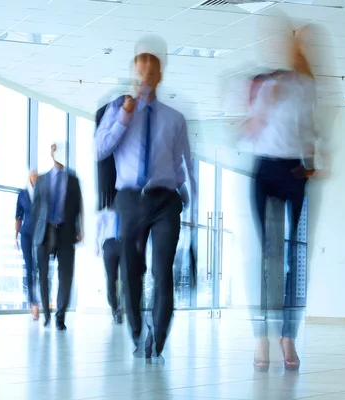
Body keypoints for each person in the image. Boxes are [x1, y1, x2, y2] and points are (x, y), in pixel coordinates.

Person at [95, 35, 195, 363]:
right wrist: (125, 116)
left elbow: (183, 164)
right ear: (133, 69)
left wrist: (190, 197)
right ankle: (137, 332)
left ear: (161, 74)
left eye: (154, 66)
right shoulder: (114, 109)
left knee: (162, 269)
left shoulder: (174, 118)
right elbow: (101, 149)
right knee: (132, 269)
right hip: (130, 199)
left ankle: (160, 337)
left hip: (167, 200)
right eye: (142, 64)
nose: (147, 71)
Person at [242, 27, 319, 372]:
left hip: (293, 173)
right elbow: (250, 130)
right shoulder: (262, 82)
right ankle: (261, 337)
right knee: (267, 256)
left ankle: (288, 336)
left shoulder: (306, 86)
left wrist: (312, 163)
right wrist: (262, 103)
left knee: (295, 256)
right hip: (264, 171)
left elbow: (307, 128)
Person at [32, 142, 83, 330]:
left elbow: (78, 208)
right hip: (45, 231)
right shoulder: (42, 180)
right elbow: (35, 208)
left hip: (65, 231)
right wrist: (34, 233)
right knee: (44, 275)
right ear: (51, 153)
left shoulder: (73, 180)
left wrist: (79, 229)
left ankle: (60, 316)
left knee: (66, 275)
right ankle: (46, 313)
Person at [15, 170, 39, 320]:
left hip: (41, 233)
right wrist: (15, 235)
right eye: (33, 175)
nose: (35, 178)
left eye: (37, 176)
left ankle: (41, 300)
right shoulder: (22, 194)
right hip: (26, 235)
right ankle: (33, 303)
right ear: (29, 177)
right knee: (29, 268)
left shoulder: (42, 193)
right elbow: (18, 216)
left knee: (40, 267)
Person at [96, 206, 122, 324]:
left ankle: (121, 307)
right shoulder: (105, 212)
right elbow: (97, 226)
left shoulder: (125, 208)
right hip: (109, 244)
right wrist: (96, 245)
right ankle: (115, 309)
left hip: (124, 242)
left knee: (127, 278)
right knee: (111, 279)